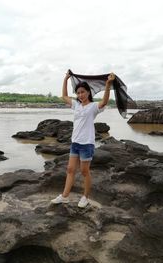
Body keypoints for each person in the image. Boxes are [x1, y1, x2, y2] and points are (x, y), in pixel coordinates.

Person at [51, 71, 115, 208]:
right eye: (78, 93)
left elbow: (104, 101)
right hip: (75, 143)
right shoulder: (76, 105)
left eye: (82, 92)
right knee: (69, 169)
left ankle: (85, 197)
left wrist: (108, 84)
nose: (80, 95)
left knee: (85, 172)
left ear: (88, 92)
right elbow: (64, 96)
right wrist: (66, 79)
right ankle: (65, 196)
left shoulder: (93, 107)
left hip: (87, 144)